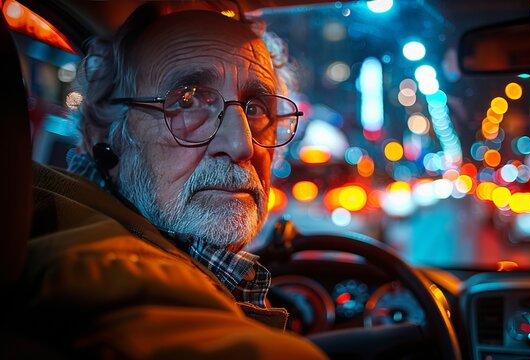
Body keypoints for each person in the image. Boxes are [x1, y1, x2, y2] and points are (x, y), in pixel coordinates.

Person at [7, 2, 327, 359]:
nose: (241, 144)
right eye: (188, 101)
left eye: (255, 109)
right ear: (107, 130)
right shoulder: (94, 256)